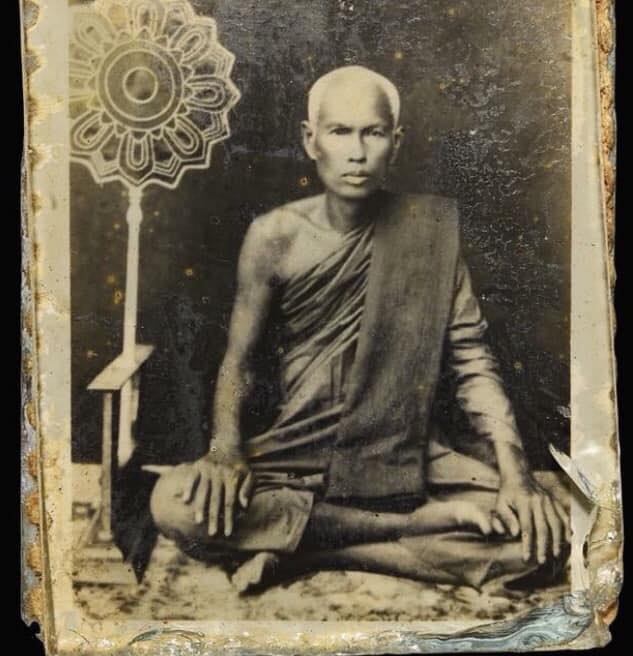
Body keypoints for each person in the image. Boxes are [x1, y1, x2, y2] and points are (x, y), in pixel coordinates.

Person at [150, 65, 570, 594]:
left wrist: (517, 475)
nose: (356, 152)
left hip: (404, 451)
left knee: (543, 543)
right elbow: (240, 360)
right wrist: (225, 450)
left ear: (396, 142)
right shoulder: (275, 236)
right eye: (339, 132)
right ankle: (412, 528)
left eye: (372, 133)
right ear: (311, 140)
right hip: (295, 452)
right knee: (174, 503)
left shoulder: (430, 234)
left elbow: (472, 363)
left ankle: (300, 553)